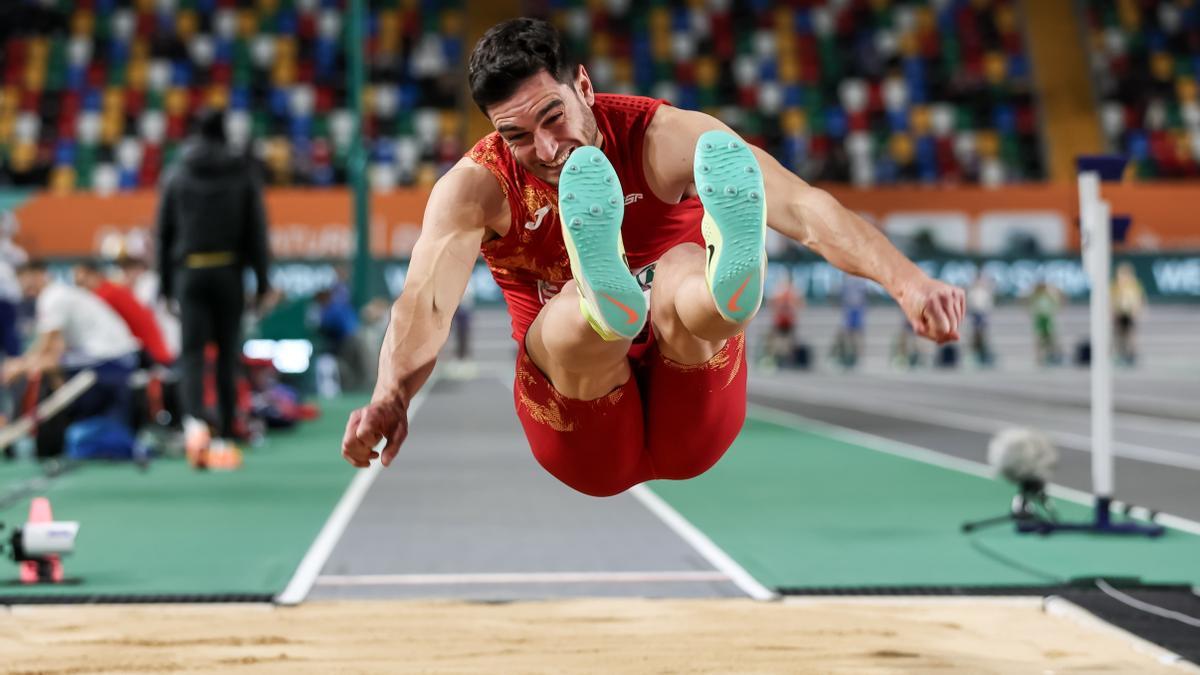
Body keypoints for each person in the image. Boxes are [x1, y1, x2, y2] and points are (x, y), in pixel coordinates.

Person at [341, 19, 964, 497]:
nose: (547, 149)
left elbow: (803, 208)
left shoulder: (663, 137)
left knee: (680, 268)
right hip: (581, 426)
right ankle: (607, 302)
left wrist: (908, 282)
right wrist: (391, 394)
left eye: (554, 117)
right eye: (518, 136)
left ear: (585, 86)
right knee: (573, 314)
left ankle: (722, 293)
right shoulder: (478, 186)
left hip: (689, 398)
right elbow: (426, 302)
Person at [156, 108, 272, 469]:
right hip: (228, 272)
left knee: (192, 353)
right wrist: (262, 281)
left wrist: (165, 286)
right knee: (227, 354)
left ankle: (194, 428)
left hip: (189, 272)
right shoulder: (241, 171)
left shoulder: (177, 173)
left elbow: (163, 233)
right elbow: (256, 230)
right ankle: (226, 432)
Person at [3, 260, 141, 455]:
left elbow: (46, 347)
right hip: (119, 358)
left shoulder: (53, 297)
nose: (23, 286)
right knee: (47, 367)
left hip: (111, 360)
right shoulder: (62, 294)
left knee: (45, 367)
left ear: (39, 274)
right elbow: (54, 349)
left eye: (25, 279)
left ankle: (43, 438)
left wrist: (18, 367)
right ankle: (55, 433)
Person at [73, 261, 173, 367]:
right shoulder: (111, 290)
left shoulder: (105, 296)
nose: (81, 289)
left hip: (149, 356)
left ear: (95, 275)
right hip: (151, 352)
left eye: (82, 283)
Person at [1111, 262, 1145, 366]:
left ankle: (1131, 354)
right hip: (1119, 313)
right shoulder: (1115, 285)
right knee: (1119, 335)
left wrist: (1138, 310)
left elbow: (1139, 298)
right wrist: (1113, 312)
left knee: (1130, 335)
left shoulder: (1133, 285)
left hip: (1129, 313)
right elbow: (1112, 300)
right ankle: (1120, 354)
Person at [1028, 281, 1062, 366]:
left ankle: (1050, 356)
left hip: (1047, 318)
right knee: (1040, 339)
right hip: (1040, 319)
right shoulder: (1036, 297)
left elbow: (1057, 304)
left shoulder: (1049, 297)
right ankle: (1040, 358)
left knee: (1049, 339)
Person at [967, 269, 995, 366]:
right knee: (974, 336)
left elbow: (988, 305)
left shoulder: (985, 292)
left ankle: (984, 356)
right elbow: (970, 305)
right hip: (975, 315)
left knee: (983, 336)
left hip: (982, 315)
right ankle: (974, 355)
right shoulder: (972, 292)